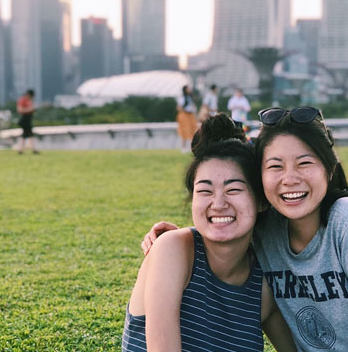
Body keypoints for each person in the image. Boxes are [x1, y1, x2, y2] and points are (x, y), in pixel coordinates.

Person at [143, 107, 348, 352]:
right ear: (261, 180)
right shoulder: (266, 230)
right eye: (275, 166)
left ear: (329, 168)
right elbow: (227, 221)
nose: (290, 178)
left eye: (304, 163)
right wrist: (179, 238)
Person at [123, 114, 297, 352]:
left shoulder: (263, 286)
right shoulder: (172, 249)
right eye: (205, 191)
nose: (218, 203)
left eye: (233, 189)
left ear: (261, 201)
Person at [176, 85, 198, 153]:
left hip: (191, 115)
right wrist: (185, 110)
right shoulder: (182, 98)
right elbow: (179, 108)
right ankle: (183, 147)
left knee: (193, 130)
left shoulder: (190, 97)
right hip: (184, 115)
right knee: (184, 130)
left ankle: (192, 146)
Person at [16, 89, 39, 154]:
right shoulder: (22, 100)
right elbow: (19, 110)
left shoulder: (29, 101)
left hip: (28, 119)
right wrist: (30, 109)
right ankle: (33, 149)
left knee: (26, 134)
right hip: (24, 119)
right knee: (30, 134)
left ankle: (21, 150)